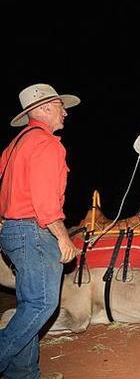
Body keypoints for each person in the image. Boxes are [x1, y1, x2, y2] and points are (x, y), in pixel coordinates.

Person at [0, 83, 80, 379]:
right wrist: (63, 238)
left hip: (12, 231)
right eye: (61, 106)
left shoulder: (14, 145)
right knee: (42, 303)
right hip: (33, 231)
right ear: (45, 108)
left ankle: (23, 374)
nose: (65, 112)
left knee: (28, 304)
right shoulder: (47, 145)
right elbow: (46, 202)